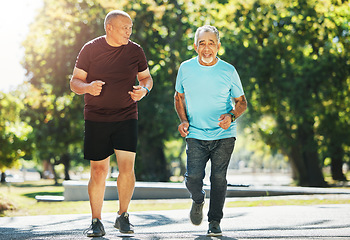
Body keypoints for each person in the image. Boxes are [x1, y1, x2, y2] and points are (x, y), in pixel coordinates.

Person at [70, 10, 153, 237]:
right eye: (125, 27)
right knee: (99, 171)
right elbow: (74, 82)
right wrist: (87, 88)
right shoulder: (90, 49)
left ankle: (123, 216)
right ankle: (96, 221)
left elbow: (146, 77)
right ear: (109, 28)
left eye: (131, 28)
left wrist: (143, 90)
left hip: (127, 116)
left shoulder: (135, 50)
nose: (129, 31)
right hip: (96, 117)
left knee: (127, 168)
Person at [174, 25, 247, 237]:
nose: (207, 48)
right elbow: (179, 97)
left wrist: (231, 116)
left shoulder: (228, 70)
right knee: (192, 178)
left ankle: (214, 221)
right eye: (202, 43)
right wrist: (183, 120)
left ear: (218, 46)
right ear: (196, 46)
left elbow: (242, 102)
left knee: (219, 178)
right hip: (195, 134)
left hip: (223, 135)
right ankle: (198, 199)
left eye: (211, 43)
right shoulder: (185, 69)